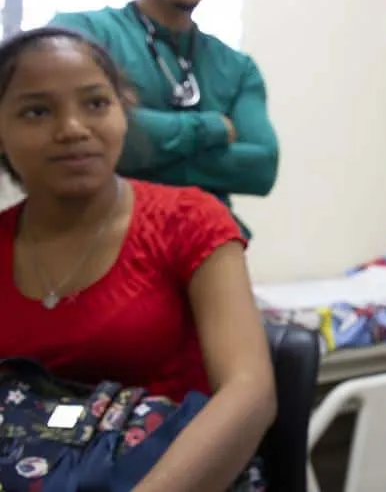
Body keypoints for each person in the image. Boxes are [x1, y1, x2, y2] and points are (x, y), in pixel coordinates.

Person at [0, 27, 276, 491]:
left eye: (96, 103)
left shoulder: (190, 221)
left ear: (123, 112)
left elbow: (250, 392)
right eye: (37, 111)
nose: (73, 129)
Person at [49, 0, 278, 237]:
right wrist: (210, 129)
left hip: (210, 243)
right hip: (101, 240)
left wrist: (138, 161)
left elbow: (261, 167)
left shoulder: (238, 68)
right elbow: (86, 131)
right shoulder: (82, 35)